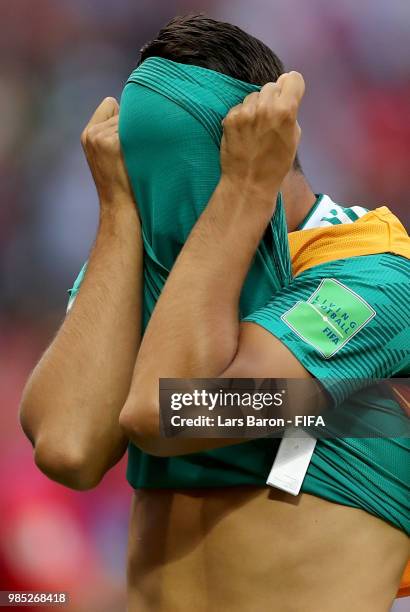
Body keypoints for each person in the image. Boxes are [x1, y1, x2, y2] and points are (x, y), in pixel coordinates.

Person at [20, 15, 409, 612]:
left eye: (169, 174)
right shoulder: (153, 255)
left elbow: (173, 413)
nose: (160, 201)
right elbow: (66, 446)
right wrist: (119, 213)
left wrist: (245, 191)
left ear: (257, 153)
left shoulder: (373, 274)